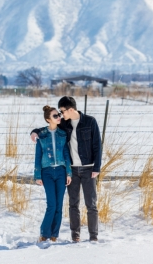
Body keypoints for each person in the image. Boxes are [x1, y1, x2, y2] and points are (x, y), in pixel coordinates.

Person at [31, 96, 102, 242]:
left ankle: (93, 236)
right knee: (73, 204)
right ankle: (75, 235)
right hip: (72, 170)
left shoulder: (90, 121)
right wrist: (34, 131)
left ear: (70, 109)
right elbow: (48, 127)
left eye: (62, 112)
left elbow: (97, 145)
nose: (61, 115)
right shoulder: (65, 124)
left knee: (91, 204)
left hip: (88, 168)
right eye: (59, 113)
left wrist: (97, 166)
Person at [34, 105, 72, 243]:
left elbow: (66, 154)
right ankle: (44, 233)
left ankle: (54, 235)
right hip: (47, 172)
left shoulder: (62, 134)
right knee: (52, 205)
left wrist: (69, 173)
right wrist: (37, 175)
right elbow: (38, 157)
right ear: (48, 119)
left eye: (59, 115)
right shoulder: (42, 135)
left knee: (59, 205)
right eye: (55, 116)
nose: (59, 117)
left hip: (61, 172)